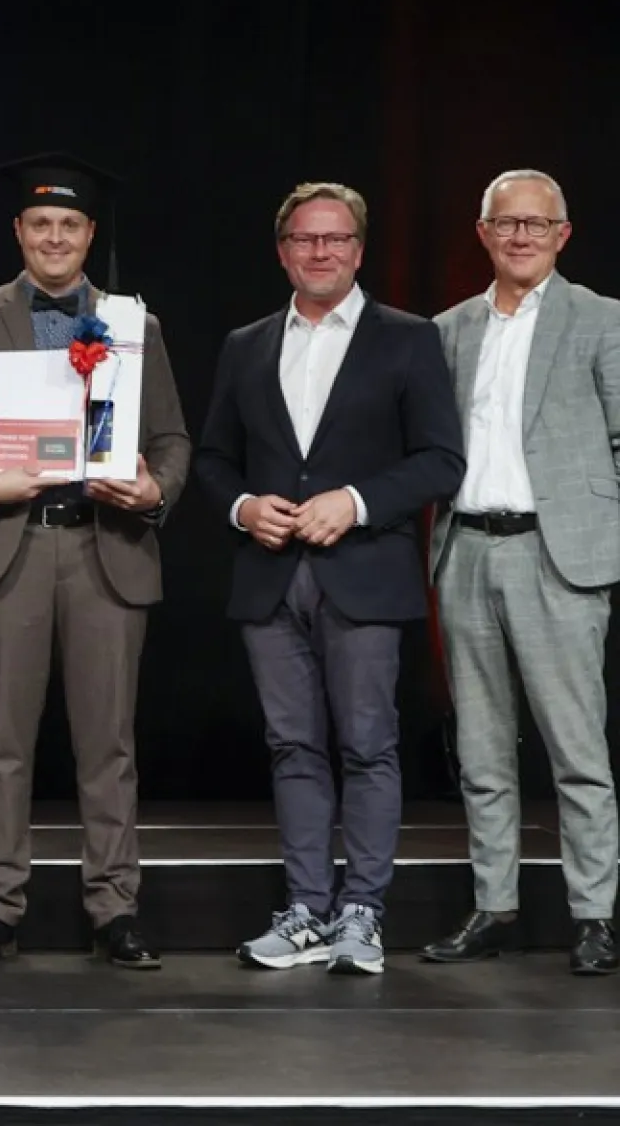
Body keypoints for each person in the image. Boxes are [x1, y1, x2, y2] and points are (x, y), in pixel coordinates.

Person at [0, 153, 190, 969]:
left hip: (108, 544)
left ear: (89, 234)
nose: (55, 238)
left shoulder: (133, 324)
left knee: (110, 746)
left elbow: (171, 437)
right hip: (10, 543)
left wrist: (154, 489)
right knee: (2, 745)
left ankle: (115, 908)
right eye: (41, 224)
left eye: (69, 225)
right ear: (19, 232)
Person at [194, 181, 465, 976]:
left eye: (337, 238)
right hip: (270, 578)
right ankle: (307, 910)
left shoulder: (407, 338)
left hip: (364, 573)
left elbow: (441, 460)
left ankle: (362, 913)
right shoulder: (246, 344)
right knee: (292, 747)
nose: (322, 252)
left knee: (369, 746)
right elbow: (213, 458)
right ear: (283, 252)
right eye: (306, 239)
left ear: (359, 249)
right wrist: (244, 507)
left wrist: (356, 502)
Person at [421, 170, 620, 975]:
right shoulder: (449, 328)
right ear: (483, 233)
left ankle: (595, 915)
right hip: (466, 550)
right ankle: (494, 905)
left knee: (577, 749)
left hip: (556, 554)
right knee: (481, 748)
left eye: (538, 224)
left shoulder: (602, 319)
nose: (522, 237)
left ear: (563, 235)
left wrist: (599, 535)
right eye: (507, 223)